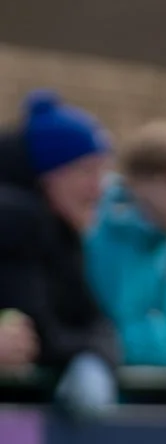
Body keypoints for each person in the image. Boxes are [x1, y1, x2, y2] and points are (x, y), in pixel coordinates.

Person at [0, 93, 119, 395]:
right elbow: (41, 334)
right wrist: (89, 352)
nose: (98, 188)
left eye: (102, 171)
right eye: (86, 171)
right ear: (48, 176)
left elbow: (93, 320)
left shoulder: (63, 234)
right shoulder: (18, 226)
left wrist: (93, 355)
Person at [84, 121, 166, 367]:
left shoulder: (165, 245)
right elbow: (99, 328)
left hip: (151, 392)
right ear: (142, 182)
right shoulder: (95, 232)